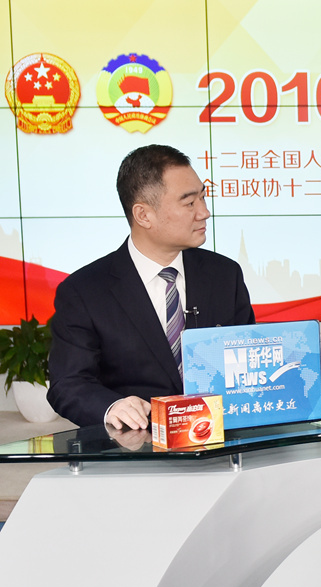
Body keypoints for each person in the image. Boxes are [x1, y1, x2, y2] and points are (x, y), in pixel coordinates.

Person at [48, 145, 255, 429]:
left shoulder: (224, 275)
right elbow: (68, 383)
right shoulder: (84, 291)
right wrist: (112, 407)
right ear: (143, 215)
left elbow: (247, 364)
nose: (204, 212)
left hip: (219, 438)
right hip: (137, 445)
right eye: (189, 203)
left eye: (203, 197)